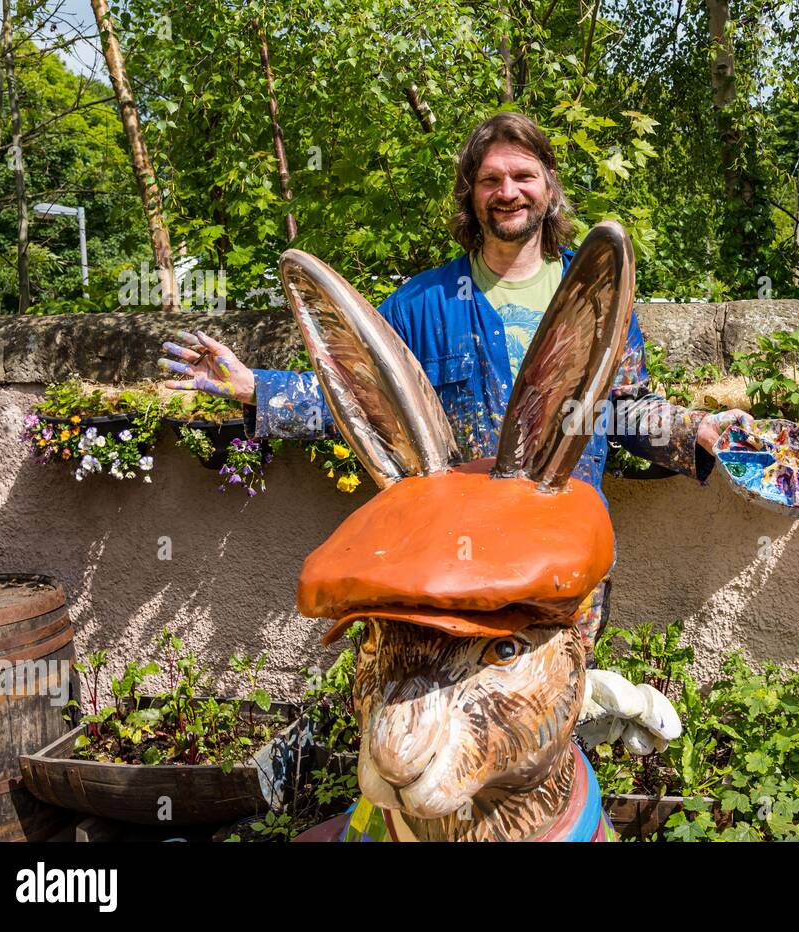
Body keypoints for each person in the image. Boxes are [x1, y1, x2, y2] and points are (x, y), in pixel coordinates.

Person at [159, 110, 750, 653]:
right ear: (472, 194)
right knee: (458, 740)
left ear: (549, 186)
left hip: (560, 565)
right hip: (448, 579)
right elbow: (363, 398)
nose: (508, 192)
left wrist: (701, 429)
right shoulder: (422, 303)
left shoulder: (597, 299)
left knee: (550, 725)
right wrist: (254, 387)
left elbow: (623, 411)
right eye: (491, 180)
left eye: (524, 175)